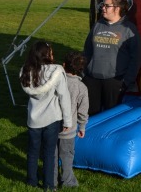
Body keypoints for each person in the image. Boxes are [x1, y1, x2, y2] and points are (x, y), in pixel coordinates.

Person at [20, 41, 72, 190]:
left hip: (33, 119)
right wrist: (68, 120)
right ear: (47, 54)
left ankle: (31, 181)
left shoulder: (26, 71)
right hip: (52, 119)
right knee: (49, 154)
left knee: (33, 152)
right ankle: (49, 185)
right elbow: (64, 97)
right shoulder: (56, 71)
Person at [83, 0, 141, 115]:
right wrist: (84, 71)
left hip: (114, 81)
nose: (103, 8)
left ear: (117, 8)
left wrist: (127, 81)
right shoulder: (98, 25)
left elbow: (136, 57)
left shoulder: (128, 29)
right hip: (92, 79)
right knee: (91, 114)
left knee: (110, 115)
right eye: (102, 5)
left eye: (107, 6)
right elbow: (87, 50)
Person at [54, 51, 89, 188]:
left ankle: (52, 180)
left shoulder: (55, 82)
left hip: (52, 126)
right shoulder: (81, 88)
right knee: (67, 156)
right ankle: (68, 181)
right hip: (68, 130)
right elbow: (82, 111)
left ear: (63, 65)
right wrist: (82, 127)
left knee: (52, 155)